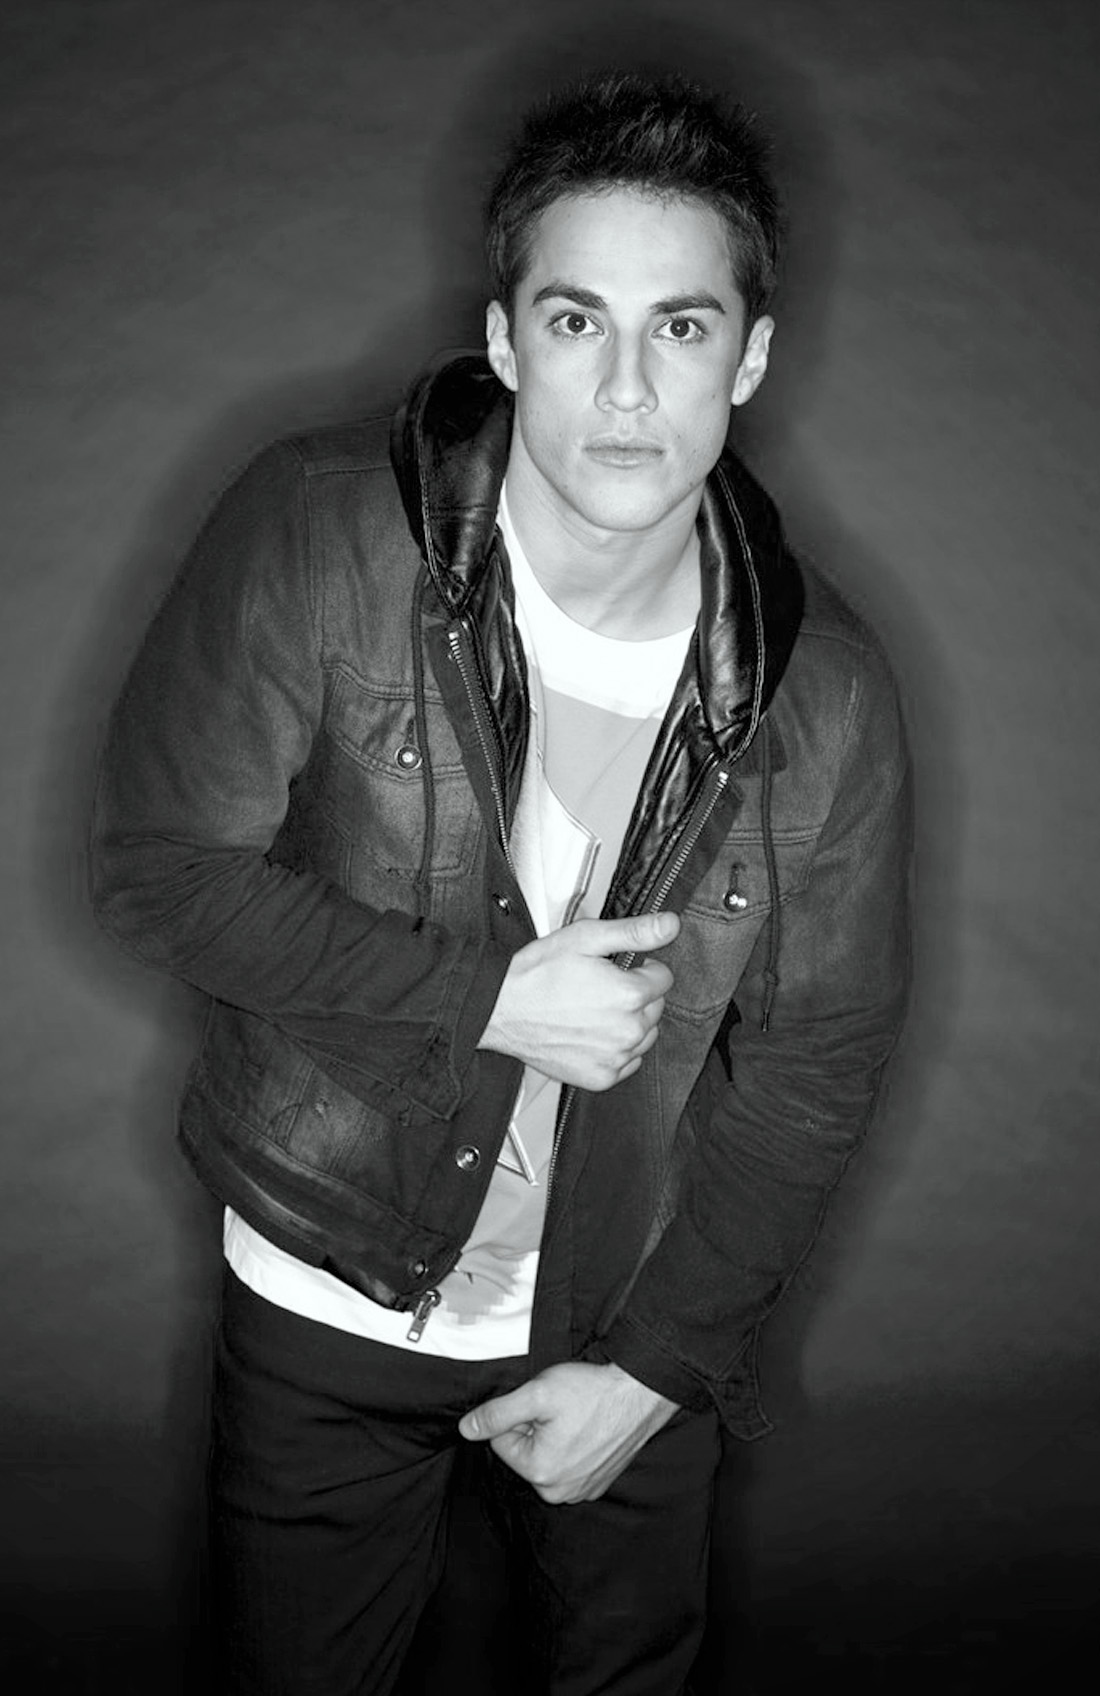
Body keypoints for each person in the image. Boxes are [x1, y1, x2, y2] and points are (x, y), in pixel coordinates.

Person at [91, 69, 910, 1696]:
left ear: (749, 358)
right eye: (577, 321)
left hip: (626, 1314)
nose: (627, 389)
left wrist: (658, 1371)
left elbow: (818, 1061)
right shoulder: (322, 533)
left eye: (681, 328)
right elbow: (160, 868)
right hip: (327, 1290)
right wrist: (485, 1002)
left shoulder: (826, 693)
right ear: (505, 339)